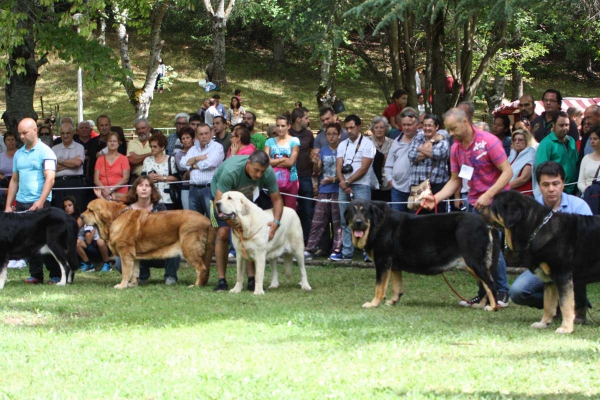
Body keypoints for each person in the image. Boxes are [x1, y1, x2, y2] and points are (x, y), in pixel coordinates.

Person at [421, 108, 513, 308]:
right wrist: (435, 199)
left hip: (496, 203)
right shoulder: (455, 148)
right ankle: (483, 294)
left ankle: (502, 292)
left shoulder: (489, 142)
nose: (451, 133)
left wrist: (489, 194)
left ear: (465, 122)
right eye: (448, 130)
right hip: (473, 203)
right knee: (475, 250)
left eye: (453, 128)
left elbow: (507, 172)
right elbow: (455, 181)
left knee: (493, 248)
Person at [509, 161, 592, 324]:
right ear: (538, 185)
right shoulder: (529, 210)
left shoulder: (579, 206)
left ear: (563, 183)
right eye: (545, 184)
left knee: (576, 266)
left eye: (556, 183)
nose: (551, 189)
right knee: (518, 292)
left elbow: (590, 241)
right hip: (543, 266)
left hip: (575, 264)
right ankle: (559, 306)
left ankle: (578, 308)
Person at [210, 150, 284, 291]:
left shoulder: (267, 173)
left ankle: (251, 279)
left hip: (246, 200)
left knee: (250, 233)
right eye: (256, 170)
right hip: (221, 200)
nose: (258, 175)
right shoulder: (231, 172)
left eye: (262, 172)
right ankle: (221, 280)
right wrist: (232, 223)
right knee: (223, 233)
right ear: (248, 163)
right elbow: (217, 202)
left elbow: (277, 199)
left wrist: (276, 222)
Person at [4, 118, 60, 284]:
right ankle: (36, 275)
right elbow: (14, 180)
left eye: (24, 133)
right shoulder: (19, 154)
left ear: (35, 130)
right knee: (28, 242)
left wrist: (41, 201)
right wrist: (8, 205)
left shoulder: (46, 152)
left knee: (46, 241)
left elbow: (50, 179)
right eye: (19, 133)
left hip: (40, 204)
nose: (21, 136)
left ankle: (55, 275)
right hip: (22, 203)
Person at [114, 176, 180, 285]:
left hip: (159, 250)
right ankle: (142, 276)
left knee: (175, 247)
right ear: (135, 190)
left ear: (152, 190)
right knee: (118, 261)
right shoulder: (127, 209)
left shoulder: (160, 207)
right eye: (140, 186)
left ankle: (170, 276)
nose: (144, 189)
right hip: (138, 251)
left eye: (147, 186)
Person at [331, 114, 375, 261]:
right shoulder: (343, 144)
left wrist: (348, 182)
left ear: (359, 126)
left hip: (361, 185)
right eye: (347, 128)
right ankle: (347, 252)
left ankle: (367, 252)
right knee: (345, 220)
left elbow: (364, 168)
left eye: (352, 127)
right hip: (344, 185)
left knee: (364, 219)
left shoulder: (368, 144)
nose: (349, 131)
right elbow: (339, 166)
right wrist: (343, 183)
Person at [305, 123, 343, 259]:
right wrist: (315, 162)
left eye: (334, 134)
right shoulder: (323, 150)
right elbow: (317, 171)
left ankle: (337, 249)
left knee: (338, 222)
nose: (331, 137)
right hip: (324, 189)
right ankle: (310, 248)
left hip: (339, 190)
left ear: (339, 135)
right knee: (318, 220)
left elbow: (346, 172)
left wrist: (333, 180)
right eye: (328, 134)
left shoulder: (343, 150)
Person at [407, 113, 450, 211]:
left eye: (430, 125)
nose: (427, 128)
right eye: (425, 125)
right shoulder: (418, 138)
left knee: (437, 218)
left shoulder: (443, 141)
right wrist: (429, 150)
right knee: (418, 219)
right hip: (418, 187)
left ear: (437, 127)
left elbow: (439, 154)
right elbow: (411, 155)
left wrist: (420, 148)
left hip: (437, 186)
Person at [180, 123, 224, 218]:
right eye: (201, 134)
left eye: (206, 133)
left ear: (211, 133)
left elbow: (209, 164)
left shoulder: (217, 147)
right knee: (195, 221)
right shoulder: (193, 149)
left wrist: (192, 165)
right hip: (193, 189)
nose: (204, 136)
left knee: (213, 220)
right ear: (196, 136)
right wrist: (197, 158)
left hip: (209, 189)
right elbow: (182, 163)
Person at [384, 108, 421, 212]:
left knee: (415, 221)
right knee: (397, 221)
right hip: (397, 189)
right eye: (404, 125)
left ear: (417, 125)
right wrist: (391, 181)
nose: (406, 127)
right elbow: (388, 165)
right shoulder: (396, 142)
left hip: (417, 189)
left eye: (409, 125)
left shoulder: (423, 139)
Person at [64, 196, 111, 273]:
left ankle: (107, 263)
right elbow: (88, 241)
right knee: (76, 242)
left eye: (69, 205)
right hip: (90, 245)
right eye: (65, 206)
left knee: (100, 241)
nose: (67, 208)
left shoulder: (82, 218)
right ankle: (87, 264)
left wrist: (96, 226)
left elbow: (72, 230)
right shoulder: (87, 222)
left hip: (102, 245)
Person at [289, 107, 315, 242]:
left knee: (307, 210)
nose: (308, 121)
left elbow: (313, 152)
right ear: (298, 119)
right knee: (288, 211)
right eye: (306, 118)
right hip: (289, 177)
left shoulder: (309, 135)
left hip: (305, 176)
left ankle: (306, 241)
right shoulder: (287, 133)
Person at [536, 111, 578, 194]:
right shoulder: (546, 144)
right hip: (557, 189)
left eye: (567, 125)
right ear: (553, 125)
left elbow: (576, 161)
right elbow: (541, 170)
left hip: (574, 187)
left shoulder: (571, 141)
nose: (565, 128)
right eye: (561, 125)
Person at [265, 114, 300, 210]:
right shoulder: (269, 142)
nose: (280, 129)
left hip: (291, 180)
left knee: (290, 210)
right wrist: (283, 159)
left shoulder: (294, 141)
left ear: (288, 126)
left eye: (283, 126)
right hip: (273, 180)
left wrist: (273, 162)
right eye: (278, 125)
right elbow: (266, 162)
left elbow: (291, 162)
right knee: (276, 208)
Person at [51, 121, 87, 209]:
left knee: (77, 209)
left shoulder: (79, 147)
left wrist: (59, 160)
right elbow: (51, 168)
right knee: (59, 211)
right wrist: (71, 163)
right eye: (62, 133)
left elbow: (77, 163)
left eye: (68, 133)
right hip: (59, 183)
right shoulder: (54, 148)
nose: (65, 136)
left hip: (75, 182)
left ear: (73, 133)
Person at [141, 132, 179, 209]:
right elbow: (141, 179)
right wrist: (148, 178)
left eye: (155, 146)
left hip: (168, 199)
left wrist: (162, 178)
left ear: (162, 147)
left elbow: (176, 178)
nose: (152, 149)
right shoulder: (147, 160)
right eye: (151, 146)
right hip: (150, 199)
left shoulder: (170, 159)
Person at [94, 132, 130, 200]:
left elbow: (126, 178)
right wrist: (104, 190)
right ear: (107, 143)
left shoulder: (124, 159)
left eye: (114, 141)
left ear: (119, 143)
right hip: (103, 195)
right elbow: (96, 179)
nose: (112, 143)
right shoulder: (100, 159)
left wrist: (111, 189)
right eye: (110, 141)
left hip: (120, 194)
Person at [368, 116, 394, 202]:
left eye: (382, 127)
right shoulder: (367, 142)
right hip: (371, 181)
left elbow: (394, 160)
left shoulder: (392, 142)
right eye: (376, 127)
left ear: (386, 129)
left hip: (388, 182)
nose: (379, 130)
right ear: (373, 129)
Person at [508, 129, 536, 194]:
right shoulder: (513, 155)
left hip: (524, 195)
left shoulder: (530, 155)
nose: (517, 142)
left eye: (520, 140)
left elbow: (523, 178)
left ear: (527, 141)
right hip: (511, 193)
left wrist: (504, 188)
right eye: (515, 140)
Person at [174, 127, 195, 209]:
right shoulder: (178, 155)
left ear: (193, 138)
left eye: (188, 137)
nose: (185, 140)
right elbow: (184, 175)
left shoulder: (200, 151)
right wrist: (196, 165)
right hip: (186, 187)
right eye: (183, 138)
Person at [577, 125, 600, 195]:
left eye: (595, 139)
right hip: (589, 197)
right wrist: (589, 191)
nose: (592, 142)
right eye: (591, 139)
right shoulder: (586, 158)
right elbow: (580, 182)